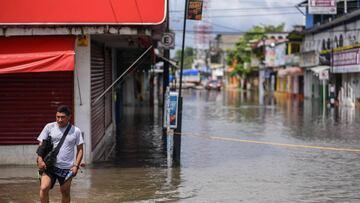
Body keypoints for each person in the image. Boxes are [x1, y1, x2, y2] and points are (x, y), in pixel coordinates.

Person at [36, 105, 84, 203]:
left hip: (66, 168)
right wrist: (40, 159)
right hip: (49, 165)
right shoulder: (49, 127)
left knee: (65, 192)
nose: (59, 120)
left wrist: (76, 166)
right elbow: (41, 145)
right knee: (44, 188)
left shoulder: (76, 131)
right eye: (58, 117)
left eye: (62, 117)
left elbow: (80, 150)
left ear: (69, 117)